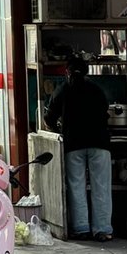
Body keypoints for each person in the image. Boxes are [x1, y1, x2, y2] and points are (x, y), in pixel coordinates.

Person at [44, 55, 113, 242]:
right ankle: (103, 230)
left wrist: (58, 127)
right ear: (87, 71)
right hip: (99, 143)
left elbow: (49, 117)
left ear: (67, 72)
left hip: (73, 144)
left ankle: (81, 228)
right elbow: (106, 111)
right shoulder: (96, 89)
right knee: (101, 186)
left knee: (76, 186)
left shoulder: (63, 90)